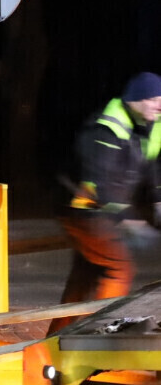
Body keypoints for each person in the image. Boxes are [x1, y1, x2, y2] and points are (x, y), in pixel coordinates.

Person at [48, 71, 161, 335]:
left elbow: (154, 164)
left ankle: (55, 341)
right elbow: (101, 185)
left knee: (86, 274)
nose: (159, 105)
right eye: (154, 99)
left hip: (98, 209)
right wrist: (131, 220)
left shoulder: (150, 125)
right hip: (81, 207)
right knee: (118, 268)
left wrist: (158, 199)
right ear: (135, 100)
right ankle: (96, 337)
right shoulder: (105, 130)